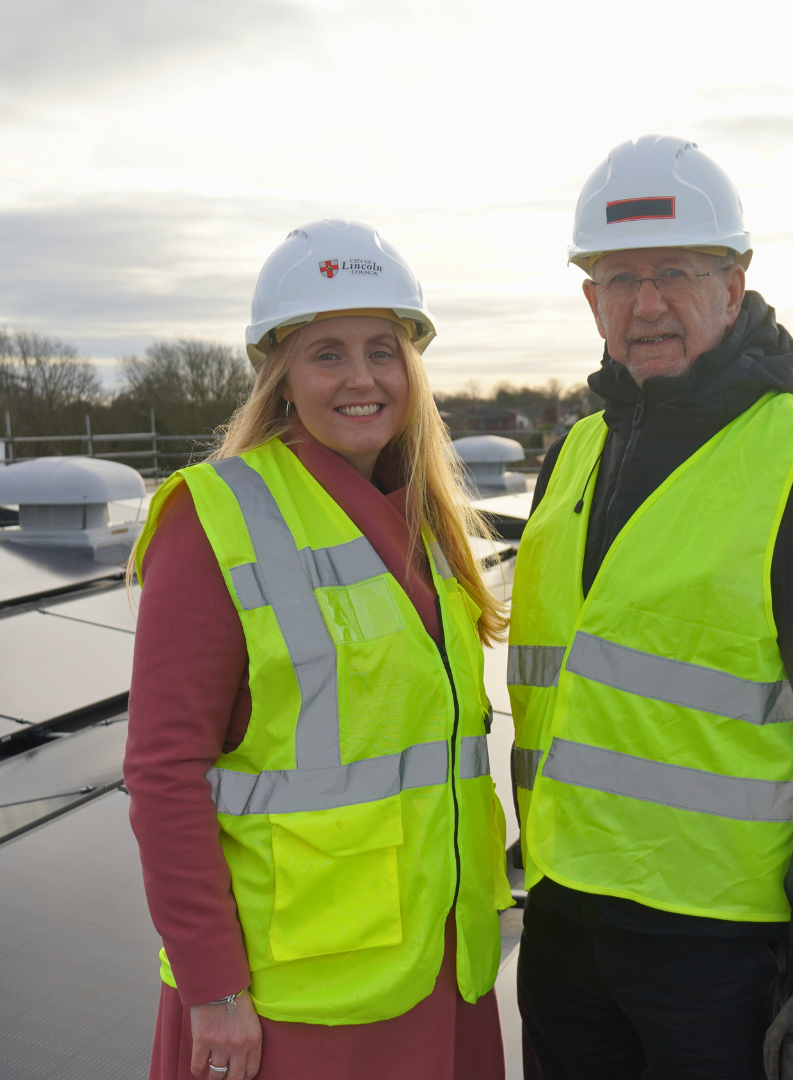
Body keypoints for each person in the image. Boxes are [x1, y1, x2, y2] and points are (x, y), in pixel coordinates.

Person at [509, 136, 793, 1078]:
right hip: (567, 924)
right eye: (619, 278)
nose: (647, 303)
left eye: (676, 273)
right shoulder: (571, 457)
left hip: (722, 948)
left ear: (734, 287)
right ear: (590, 300)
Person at [126, 219, 514, 1080]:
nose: (362, 378)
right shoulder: (217, 518)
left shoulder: (429, 523)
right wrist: (213, 991)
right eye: (327, 353)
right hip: (292, 999)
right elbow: (162, 773)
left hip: (441, 967)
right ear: (281, 375)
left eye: (383, 348)